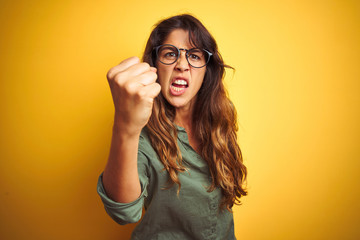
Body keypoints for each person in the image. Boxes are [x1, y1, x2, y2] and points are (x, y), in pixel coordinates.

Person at [97, 14, 247, 240]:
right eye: (170, 54)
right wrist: (125, 126)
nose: (182, 65)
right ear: (154, 65)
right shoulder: (142, 136)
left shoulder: (219, 122)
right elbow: (124, 211)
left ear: (207, 70)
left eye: (195, 56)